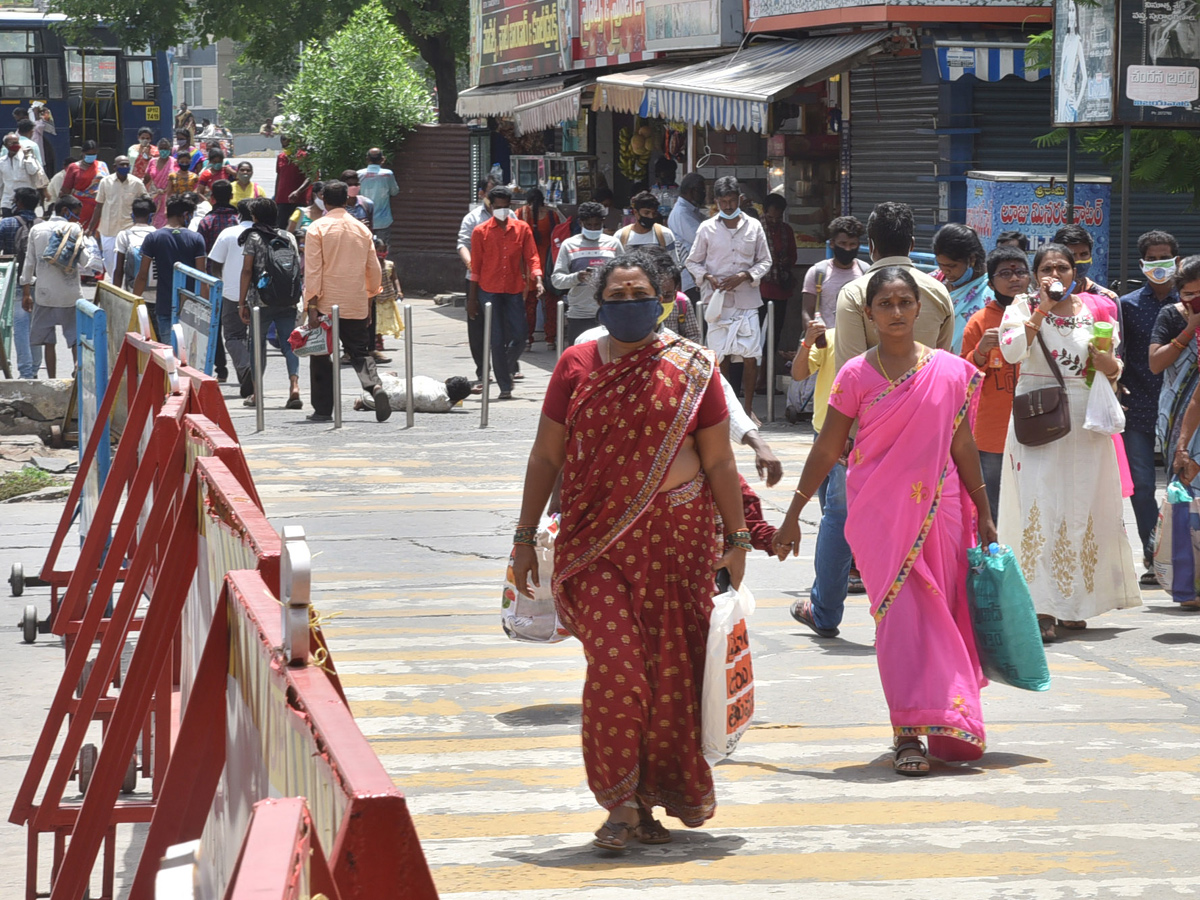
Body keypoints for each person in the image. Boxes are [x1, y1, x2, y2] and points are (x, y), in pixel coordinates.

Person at [512, 250, 748, 849]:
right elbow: (547, 456)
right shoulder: (576, 364)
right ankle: (617, 802)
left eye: (638, 294)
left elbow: (719, 460)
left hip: (679, 544)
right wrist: (522, 533)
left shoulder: (694, 366)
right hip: (595, 547)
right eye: (614, 297)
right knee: (619, 669)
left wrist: (738, 534)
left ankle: (648, 801)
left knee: (671, 676)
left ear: (664, 298)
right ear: (599, 301)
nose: (626, 306)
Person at [774, 266, 997, 775]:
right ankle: (907, 735)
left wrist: (984, 511)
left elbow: (962, 445)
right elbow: (829, 447)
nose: (896, 312)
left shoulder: (950, 371)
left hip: (940, 515)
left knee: (940, 620)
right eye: (885, 305)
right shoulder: (855, 374)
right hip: (878, 521)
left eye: (904, 302)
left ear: (920, 309)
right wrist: (793, 514)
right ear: (869, 315)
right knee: (897, 625)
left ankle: (940, 716)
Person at [996, 243, 1141, 642]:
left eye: (1063, 267)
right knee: (1039, 506)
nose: (1055, 274)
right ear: (1035, 272)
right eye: (1048, 268)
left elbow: (1112, 368)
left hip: (1086, 419)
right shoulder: (1021, 308)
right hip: (1040, 419)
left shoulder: (1094, 310)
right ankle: (1040, 607)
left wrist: (1106, 363)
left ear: (1075, 272)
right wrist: (1042, 306)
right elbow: (1011, 353)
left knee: (1082, 505)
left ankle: (1075, 605)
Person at [1119, 230, 1181, 582]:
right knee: (1142, 485)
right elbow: (1120, 351)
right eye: (1153, 259)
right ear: (1142, 264)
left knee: (1180, 484)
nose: (1160, 265)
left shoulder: (1188, 303)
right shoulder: (1128, 305)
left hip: (1180, 408)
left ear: (1176, 259)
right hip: (1138, 405)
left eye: (1166, 258)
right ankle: (1152, 554)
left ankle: (1179, 557)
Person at [787, 316, 852, 638]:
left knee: (837, 519)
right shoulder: (832, 339)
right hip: (822, 435)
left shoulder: (879, 345)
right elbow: (799, 374)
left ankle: (825, 608)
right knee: (834, 516)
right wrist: (808, 340)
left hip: (846, 441)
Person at [302, 180, 388, 422]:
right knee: (359, 351)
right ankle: (374, 387)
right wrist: (370, 298)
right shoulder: (362, 230)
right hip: (356, 301)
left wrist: (311, 305)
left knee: (320, 355)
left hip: (325, 303)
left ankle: (322, 410)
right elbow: (374, 269)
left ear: (324, 200)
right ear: (347, 199)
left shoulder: (317, 228)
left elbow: (313, 270)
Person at [685, 176, 772, 417]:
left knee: (751, 355)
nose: (728, 206)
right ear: (716, 202)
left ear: (739, 200)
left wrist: (745, 275)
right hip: (718, 301)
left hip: (747, 299)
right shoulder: (707, 228)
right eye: (723, 202)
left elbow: (765, 260)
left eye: (732, 201)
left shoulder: (753, 226)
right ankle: (725, 410)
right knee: (719, 354)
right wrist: (709, 278)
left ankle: (748, 409)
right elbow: (692, 262)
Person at [834, 202, 955, 372]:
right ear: (912, 245)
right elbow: (941, 362)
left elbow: (850, 372)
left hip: (873, 397)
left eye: (905, 303)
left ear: (871, 246)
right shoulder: (939, 291)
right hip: (926, 397)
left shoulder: (853, 293)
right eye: (886, 304)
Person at [960, 246, 1031, 519]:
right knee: (994, 503)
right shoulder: (979, 322)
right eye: (1005, 273)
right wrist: (980, 352)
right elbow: (964, 378)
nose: (1014, 279)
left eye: (1020, 272)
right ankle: (994, 555)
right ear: (991, 283)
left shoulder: (1037, 315)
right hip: (992, 431)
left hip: (1036, 424)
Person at [468, 186, 542, 400]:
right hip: (488, 290)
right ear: (491, 206)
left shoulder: (522, 229)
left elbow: (532, 256)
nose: (501, 210)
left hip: (513, 288)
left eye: (505, 207)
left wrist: (537, 277)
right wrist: (472, 299)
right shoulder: (480, 231)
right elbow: (476, 268)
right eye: (497, 206)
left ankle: (506, 368)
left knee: (520, 336)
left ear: (510, 207)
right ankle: (504, 385)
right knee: (496, 338)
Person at [20, 196, 101, 377]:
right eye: (77, 214)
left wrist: (26, 292)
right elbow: (86, 261)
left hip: (44, 294)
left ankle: (51, 378)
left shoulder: (37, 229)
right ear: (66, 211)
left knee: (49, 341)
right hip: (70, 294)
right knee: (75, 339)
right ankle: (76, 373)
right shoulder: (73, 229)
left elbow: (29, 263)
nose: (77, 218)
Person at [238, 197, 302, 410]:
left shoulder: (253, 237)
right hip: (287, 299)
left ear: (255, 216)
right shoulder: (289, 236)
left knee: (257, 347)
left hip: (260, 301)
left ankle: (257, 394)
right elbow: (296, 267)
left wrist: (241, 303)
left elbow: (247, 270)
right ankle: (294, 385)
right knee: (289, 344)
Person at [1152, 256, 1200, 494]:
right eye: (1189, 294)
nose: (1196, 299)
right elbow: (1155, 363)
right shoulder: (1171, 316)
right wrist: (1190, 329)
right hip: (1178, 416)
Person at [133, 195, 207, 341]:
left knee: (169, 351)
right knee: (189, 353)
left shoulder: (153, 238)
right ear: (186, 215)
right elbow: (201, 275)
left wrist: (134, 301)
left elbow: (142, 275)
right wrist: (206, 307)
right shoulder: (196, 238)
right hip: (190, 306)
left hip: (164, 304)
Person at [552, 202, 623, 346]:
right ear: (581, 223)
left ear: (603, 223)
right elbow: (557, 280)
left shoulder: (614, 244)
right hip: (580, 314)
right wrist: (577, 277)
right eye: (588, 225)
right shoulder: (569, 245)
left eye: (597, 225)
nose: (593, 228)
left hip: (609, 313)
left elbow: (624, 274)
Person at [207, 199, 255, 397]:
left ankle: (245, 369)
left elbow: (214, 264)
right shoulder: (268, 232)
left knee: (234, 336)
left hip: (233, 293)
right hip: (262, 296)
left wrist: (224, 280)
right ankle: (249, 378)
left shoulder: (228, 233)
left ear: (239, 215)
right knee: (256, 339)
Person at [0, 187, 42, 376]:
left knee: (21, 328)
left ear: (19, 203)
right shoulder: (43, 225)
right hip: (40, 282)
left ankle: (26, 372)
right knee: (36, 327)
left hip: (17, 281)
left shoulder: (7, 223)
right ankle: (33, 369)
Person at [457, 178, 494, 393]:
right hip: (477, 278)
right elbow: (462, 243)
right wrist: (471, 264)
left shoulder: (512, 218)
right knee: (477, 323)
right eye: (491, 193)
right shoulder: (473, 219)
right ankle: (483, 369)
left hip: (505, 279)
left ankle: (508, 366)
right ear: (482, 194)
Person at [516, 188, 563, 351]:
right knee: (550, 305)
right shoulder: (552, 215)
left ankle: (528, 340)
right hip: (549, 265)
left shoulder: (520, 214)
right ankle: (550, 339)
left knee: (529, 305)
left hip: (529, 266)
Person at [803, 216, 867, 333]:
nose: (847, 249)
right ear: (832, 243)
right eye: (843, 243)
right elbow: (807, 311)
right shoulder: (817, 273)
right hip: (826, 344)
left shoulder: (866, 273)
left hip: (856, 344)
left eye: (852, 244)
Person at [932, 223, 989, 352]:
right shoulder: (934, 282)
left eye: (952, 266)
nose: (945, 271)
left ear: (971, 259)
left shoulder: (992, 289)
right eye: (941, 264)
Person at [88, 155, 146, 275]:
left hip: (129, 230)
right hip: (109, 231)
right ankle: (116, 287)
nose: (125, 167)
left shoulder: (137, 183)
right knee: (110, 264)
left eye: (127, 164)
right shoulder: (105, 182)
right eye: (122, 164)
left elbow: (145, 204)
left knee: (128, 263)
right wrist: (90, 228)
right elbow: (99, 206)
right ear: (115, 167)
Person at [759, 193, 797, 365]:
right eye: (770, 216)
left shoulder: (786, 230)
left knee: (774, 333)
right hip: (759, 288)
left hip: (780, 289)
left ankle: (766, 374)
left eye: (778, 217)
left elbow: (793, 256)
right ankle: (755, 372)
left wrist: (785, 261)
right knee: (756, 332)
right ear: (765, 212)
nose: (774, 220)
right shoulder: (756, 228)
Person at [668, 173, 708, 302]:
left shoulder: (691, 211)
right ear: (692, 191)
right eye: (701, 190)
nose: (704, 194)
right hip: (691, 279)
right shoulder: (682, 213)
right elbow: (703, 239)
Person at [1053, 224, 1118, 301]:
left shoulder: (1106, 298)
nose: (1078, 260)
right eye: (1072, 255)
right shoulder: (1042, 298)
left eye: (1084, 254)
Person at [356, 374, 472, 413]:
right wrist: (468, 392)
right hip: (372, 403)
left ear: (447, 380)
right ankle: (362, 403)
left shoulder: (428, 380)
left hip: (375, 383)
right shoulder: (444, 406)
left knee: (399, 381)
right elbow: (454, 402)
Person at [358, 148, 399, 249]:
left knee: (364, 250)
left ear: (367, 159)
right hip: (383, 221)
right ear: (383, 159)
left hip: (363, 220)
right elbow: (394, 191)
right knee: (382, 251)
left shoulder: (359, 174)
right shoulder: (388, 174)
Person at [0, 132, 47, 216]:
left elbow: (33, 171)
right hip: (8, 200)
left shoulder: (27, 157)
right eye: (13, 143)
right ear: (6, 145)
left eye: (17, 142)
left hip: (25, 201)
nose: (16, 145)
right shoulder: (2, 161)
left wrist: (27, 157)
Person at [616, 190, 676, 254]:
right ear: (636, 212)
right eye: (646, 213)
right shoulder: (621, 236)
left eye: (654, 213)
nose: (651, 216)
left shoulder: (665, 234)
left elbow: (673, 262)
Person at [275, 136, 310, 228]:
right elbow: (279, 177)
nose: (285, 145)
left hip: (298, 199)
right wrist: (276, 197)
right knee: (281, 227)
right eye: (282, 142)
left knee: (297, 228)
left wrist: (298, 191)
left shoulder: (303, 156)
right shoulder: (280, 157)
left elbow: (310, 177)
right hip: (282, 200)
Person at [142, 139, 176, 227]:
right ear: (158, 149)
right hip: (154, 196)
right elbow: (146, 179)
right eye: (161, 148)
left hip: (168, 196)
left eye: (166, 148)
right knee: (153, 220)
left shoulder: (174, 162)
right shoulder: (152, 162)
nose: (164, 151)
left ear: (170, 149)